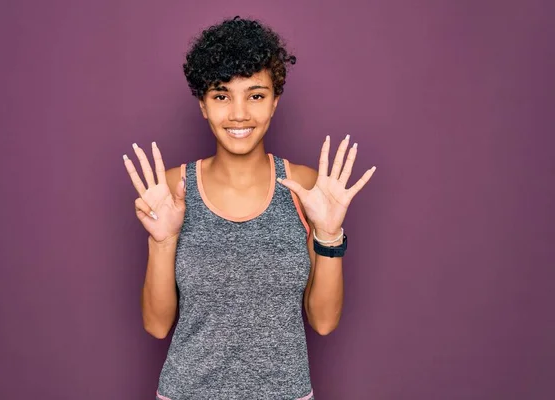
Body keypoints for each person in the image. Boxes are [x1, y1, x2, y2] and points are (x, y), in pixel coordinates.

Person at [123, 16, 376, 400]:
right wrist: (163, 240)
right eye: (221, 95)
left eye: (255, 95)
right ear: (203, 105)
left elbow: (324, 322)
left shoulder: (304, 188)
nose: (239, 113)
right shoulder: (173, 188)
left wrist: (329, 235)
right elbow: (157, 326)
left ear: (275, 102)